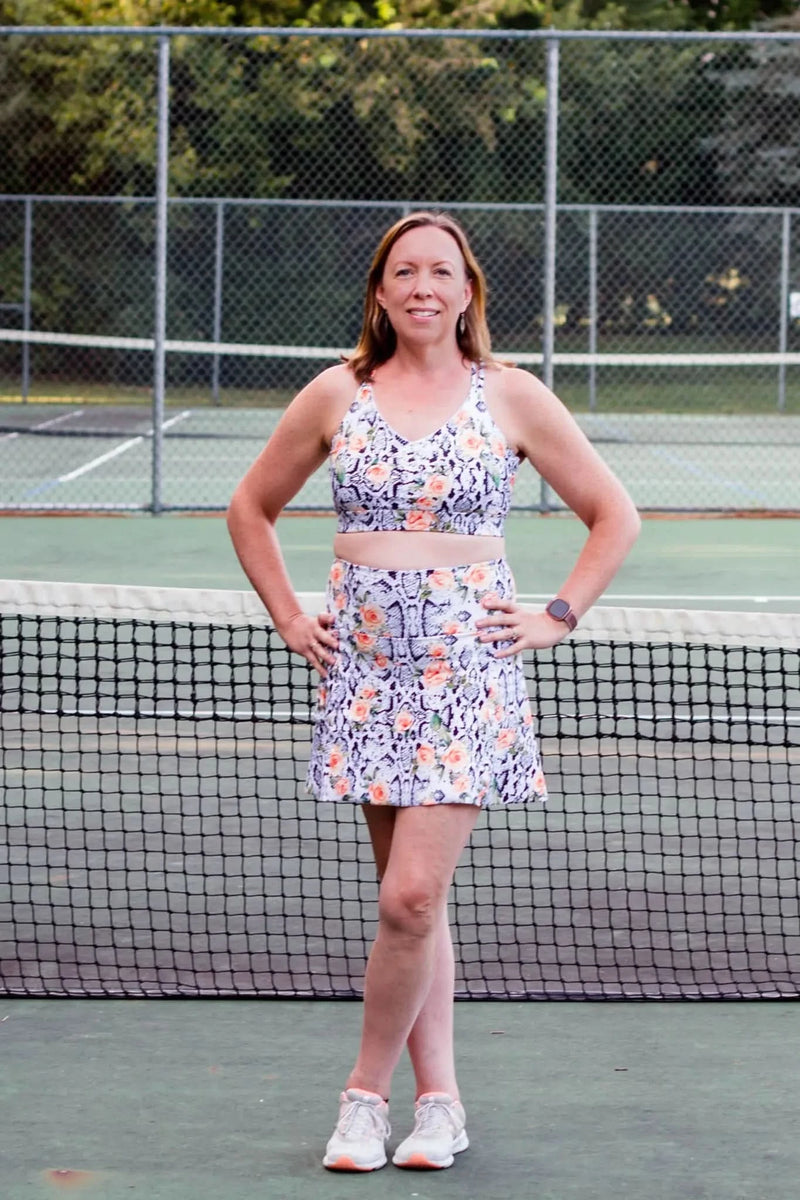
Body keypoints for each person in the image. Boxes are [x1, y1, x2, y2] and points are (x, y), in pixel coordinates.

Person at [226, 210, 640, 1172]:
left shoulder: (512, 395)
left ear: (466, 291)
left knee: (410, 897)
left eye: (441, 272)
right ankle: (442, 1105)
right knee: (412, 907)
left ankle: (363, 1099)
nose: (423, 286)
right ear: (380, 291)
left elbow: (613, 513)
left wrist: (558, 614)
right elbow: (250, 506)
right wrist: (289, 617)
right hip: (366, 675)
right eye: (404, 271)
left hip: (467, 678)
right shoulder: (338, 392)